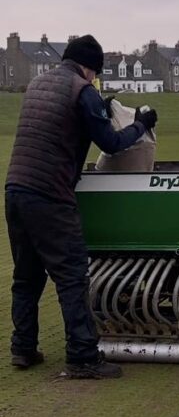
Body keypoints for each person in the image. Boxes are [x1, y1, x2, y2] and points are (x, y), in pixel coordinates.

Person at [4, 35, 158, 379]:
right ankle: (83, 357)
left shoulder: (39, 83)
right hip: (49, 195)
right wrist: (142, 125)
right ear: (90, 69)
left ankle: (23, 349)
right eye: (96, 74)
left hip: (15, 189)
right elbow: (111, 143)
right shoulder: (82, 90)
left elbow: (65, 122)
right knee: (72, 275)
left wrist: (101, 108)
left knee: (26, 276)